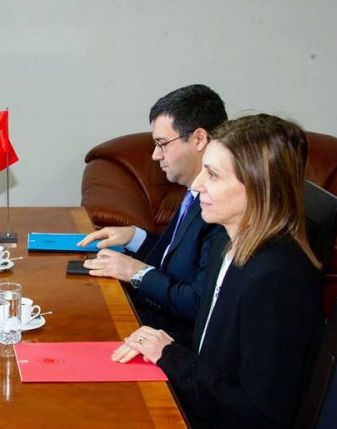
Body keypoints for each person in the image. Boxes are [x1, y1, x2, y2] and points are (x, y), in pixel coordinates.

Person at [112, 114, 324, 429]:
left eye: (212, 175)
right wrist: (159, 345)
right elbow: (211, 347)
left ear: (259, 187)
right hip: (201, 408)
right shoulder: (226, 242)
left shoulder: (277, 279)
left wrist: (170, 356)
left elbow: (261, 417)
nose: (197, 185)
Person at [79, 84, 227, 343]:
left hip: (174, 340)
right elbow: (177, 261)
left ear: (199, 139)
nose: (155, 155)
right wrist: (134, 237)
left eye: (162, 144)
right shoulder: (192, 192)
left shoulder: (220, 208)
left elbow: (199, 304)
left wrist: (136, 272)